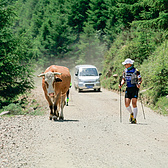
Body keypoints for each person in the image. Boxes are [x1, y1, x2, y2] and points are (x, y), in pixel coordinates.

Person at [119, 58, 142, 124]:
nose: (125, 65)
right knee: (127, 104)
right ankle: (131, 113)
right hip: (128, 88)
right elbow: (123, 79)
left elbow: (140, 79)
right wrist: (121, 84)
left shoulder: (136, 71)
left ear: (129, 64)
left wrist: (139, 84)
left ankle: (134, 118)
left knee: (134, 103)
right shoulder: (125, 71)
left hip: (134, 88)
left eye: (126, 64)